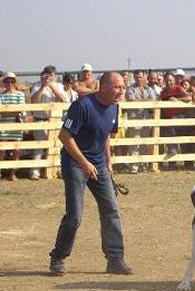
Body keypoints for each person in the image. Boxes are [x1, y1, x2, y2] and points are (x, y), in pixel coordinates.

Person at [49, 72, 133, 276]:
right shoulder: (82, 106)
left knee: (111, 210)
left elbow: (105, 137)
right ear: (103, 87)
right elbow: (64, 136)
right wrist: (84, 162)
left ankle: (115, 259)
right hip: (75, 163)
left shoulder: (114, 106)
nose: (121, 91)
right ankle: (58, 258)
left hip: (98, 164)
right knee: (75, 215)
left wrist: (108, 161)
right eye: (117, 87)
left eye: (123, 87)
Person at [30, 65, 68, 180]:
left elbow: (64, 99)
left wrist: (51, 86)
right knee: (39, 147)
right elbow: (33, 101)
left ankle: (57, 171)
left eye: (51, 75)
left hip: (55, 121)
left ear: (55, 76)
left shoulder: (59, 86)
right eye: (46, 74)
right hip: (40, 120)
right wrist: (42, 87)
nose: (48, 77)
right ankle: (35, 172)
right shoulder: (37, 85)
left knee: (57, 147)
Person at [124, 70, 157, 174]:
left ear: (144, 77)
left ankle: (143, 165)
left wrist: (144, 102)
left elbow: (154, 100)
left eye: (141, 77)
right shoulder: (130, 89)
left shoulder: (150, 89)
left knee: (145, 143)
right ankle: (134, 167)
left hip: (146, 119)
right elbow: (133, 101)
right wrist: (147, 102)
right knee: (134, 143)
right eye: (137, 77)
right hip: (135, 119)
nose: (139, 79)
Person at [0, 72, 25, 181]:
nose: (9, 83)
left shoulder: (20, 94)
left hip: (16, 124)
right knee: (2, 149)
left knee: (16, 150)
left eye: (11, 81)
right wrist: (12, 111)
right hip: (4, 125)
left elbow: (21, 110)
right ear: (4, 83)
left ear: (15, 82)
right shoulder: (1, 95)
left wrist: (8, 110)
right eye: (7, 81)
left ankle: (12, 173)